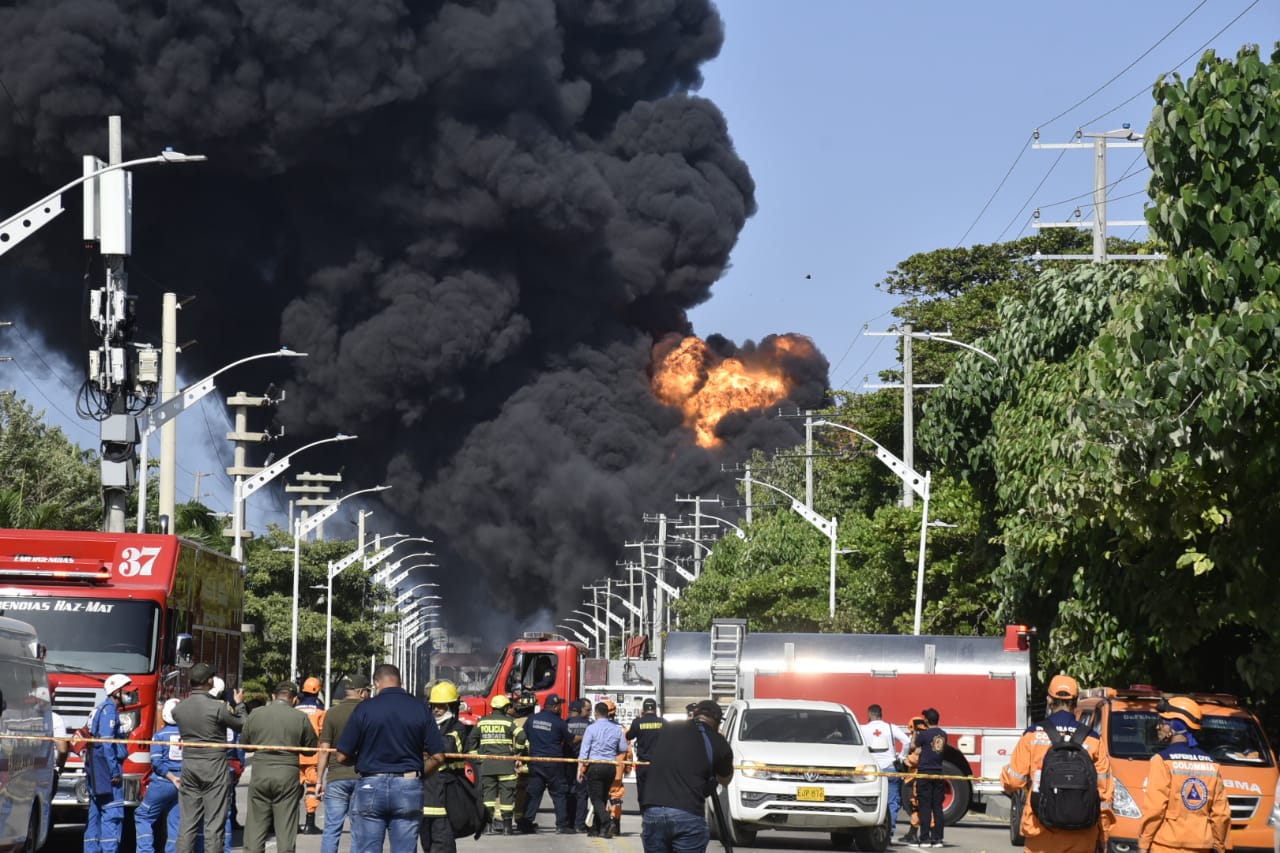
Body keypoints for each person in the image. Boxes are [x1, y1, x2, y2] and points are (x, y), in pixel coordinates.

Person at [334, 663, 447, 853]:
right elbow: (438, 757)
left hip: (371, 784)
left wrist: (361, 762)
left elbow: (341, 756)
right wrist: (419, 774)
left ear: (376, 683)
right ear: (400, 681)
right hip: (408, 785)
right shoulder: (420, 708)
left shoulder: (365, 709)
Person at [1002, 675, 1114, 853]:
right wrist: (1104, 835)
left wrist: (1006, 775)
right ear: (1076, 701)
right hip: (1083, 834)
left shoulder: (1032, 736)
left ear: (1049, 700)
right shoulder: (1092, 739)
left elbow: (1013, 781)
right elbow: (1105, 795)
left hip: (1041, 831)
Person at [639, 699, 734, 853]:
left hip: (653, 810)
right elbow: (726, 779)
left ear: (694, 715)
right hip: (687, 813)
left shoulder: (669, 728)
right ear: (717, 721)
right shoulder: (718, 741)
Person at [1137, 696, 1229, 853]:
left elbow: (1155, 809)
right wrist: (1219, 846)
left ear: (1176, 727)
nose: (1158, 727)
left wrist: (1144, 843)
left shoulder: (1162, 761)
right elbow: (1221, 813)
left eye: (1163, 722)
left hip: (1165, 846)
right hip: (1201, 847)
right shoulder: (1212, 764)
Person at [173, 663, 247, 853]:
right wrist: (239, 705)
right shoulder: (218, 707)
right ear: (209, 681)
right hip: (214, 767)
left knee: (187, 824)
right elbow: (242, 725)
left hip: (189, 766)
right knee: (214, 825)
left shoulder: (179, 708)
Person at [241, 681, 318, 853]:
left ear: (273, 696)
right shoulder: (300, 717)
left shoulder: (255, 714)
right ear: (295, 699)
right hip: (288, 774)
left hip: (260, 771)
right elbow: (310, 749)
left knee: (255, 825)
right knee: (286, 828)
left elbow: (245, 745)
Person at [317, 674, 370, 853]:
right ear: (361, 692)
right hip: (362, 776)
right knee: (359, 829)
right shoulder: (369, 711)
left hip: (335, 776)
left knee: (332, 828)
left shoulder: (331, 713)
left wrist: (319, 780)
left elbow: (324, 749)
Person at [420, 679, 474, 853]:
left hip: (445, 794)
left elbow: (447, 747)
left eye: (441, 706)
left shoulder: (458, 728)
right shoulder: (426, 726)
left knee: (443, 844)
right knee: (427, 844)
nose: (436, 709)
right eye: (434, 705)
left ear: (451, 707)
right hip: (424, 795)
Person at [465, 693, 528, 835]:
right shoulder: (509, 722)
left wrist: (477, 757)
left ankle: (487, 827)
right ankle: (507, 828)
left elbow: (471, 740)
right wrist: (517, 751)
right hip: (505, 764)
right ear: (505, 708)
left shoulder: (482, 722)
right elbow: (522, 736)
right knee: (507, 795)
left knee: (488, 796)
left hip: (487, 765)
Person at [85, 673, 134, 853]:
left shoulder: (102, 709)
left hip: (98, 770)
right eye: (124, 690)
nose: (127, 694)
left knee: (95, 813)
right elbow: (107, 743)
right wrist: (114, 771)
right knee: (112, 815)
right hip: (106, 771)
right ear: (116, 691)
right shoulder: (109, 710)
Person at [520, 692, 575, 834]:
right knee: (559, 793)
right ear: (555, 707)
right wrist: (583, 735)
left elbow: (522, 736)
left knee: (534, 793)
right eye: (560, 706)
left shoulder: (532, 719)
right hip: (554, 763)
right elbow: (571, 740)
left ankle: (526, 823)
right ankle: (561, 825)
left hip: (536, 762)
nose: (561, 709)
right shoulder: (559, 722)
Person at [135, 698, 183, 853]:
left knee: (143, 816)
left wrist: (171, 777)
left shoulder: (160, 736)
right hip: (183, 783)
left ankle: (145, 850)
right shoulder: (190, 736)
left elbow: (156, 763)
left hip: (163, 783)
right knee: (175, 821)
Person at [577, 701, 630, 838]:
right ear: (608, 714)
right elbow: (624, 748)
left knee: (595, 798)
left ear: (595, 713)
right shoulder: (617, 729)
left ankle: (607, 822)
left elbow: (584, 751)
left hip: (595, 766)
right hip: (611, 766)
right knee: (602, 797)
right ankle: (597, 829)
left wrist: (580, 770)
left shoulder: (591, 728)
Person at [860, 704, 911, 841]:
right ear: (881, 714)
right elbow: (907, 741)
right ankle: (888, 834)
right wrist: (902, 757)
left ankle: (870, 835)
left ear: (869, 714)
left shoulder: (863, 729)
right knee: (892, 803)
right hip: (890, 768)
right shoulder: (891, 727)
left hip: (871, 770)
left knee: (867, 801)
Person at [913, 707, 947, 847]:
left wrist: (915, 734)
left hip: (925, 773)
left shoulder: (924, 735)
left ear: (926, 720)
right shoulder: (944, 734)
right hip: (938, 772)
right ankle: (938, 839)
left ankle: (925, 838)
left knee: (925, 807)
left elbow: (914, 747)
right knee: (937, 807)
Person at [297, 676, 327, 835]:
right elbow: (323, 734)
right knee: (311, 789)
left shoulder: (295, 709)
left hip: (295, 756)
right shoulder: (320, 711)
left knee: (294, 791)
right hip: (313, 757)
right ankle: (310, 823)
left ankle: (292, 823)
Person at [628, 698, 667, 804]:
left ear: (643, 710)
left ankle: (645, 815)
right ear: (655, 709)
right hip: (659, 764)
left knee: (643, 792)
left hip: (643, 764)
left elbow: (629, 736)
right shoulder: (663, 722)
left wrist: (640, 719)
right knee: (659, 792)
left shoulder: (637, 722)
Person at [898, 716, 928, 845]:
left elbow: (915, 758)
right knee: (916, 807)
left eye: (912, 732)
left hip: (917, 779)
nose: (911, 735)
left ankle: (916, 835)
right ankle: (913, 833)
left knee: (916, 807)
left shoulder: (920, 742)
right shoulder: (927, 739)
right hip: (916, 778)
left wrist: (903, 762)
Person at [565, 699, 591, 833]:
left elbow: (562, 741)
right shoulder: (590, 724)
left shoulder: (566, 723)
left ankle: (568, 822)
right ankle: (579, 824)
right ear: (581, 710)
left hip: (568, 762)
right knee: (582, 794)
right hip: (584, 764)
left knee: (569, 792)